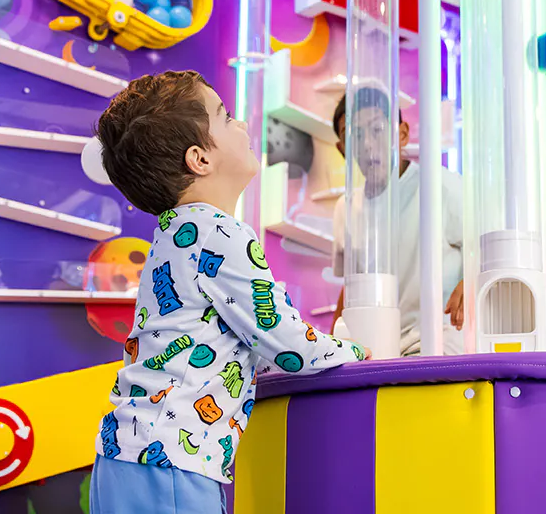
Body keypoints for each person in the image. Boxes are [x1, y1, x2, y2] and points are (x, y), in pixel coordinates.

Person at [89, 70, 366, 513]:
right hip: (172, 460)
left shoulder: (174, 234)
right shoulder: (221, 234)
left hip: (124, 454)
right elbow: (287, 343)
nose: (242, 124)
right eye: (226, 116)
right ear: (199, 159)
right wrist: (355, 351)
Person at [330, 87, 464, 355]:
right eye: (354, 135)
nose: (367, 144)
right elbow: (351, 286)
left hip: (437, 339)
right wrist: (330, 344)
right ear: (342, 148)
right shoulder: (345, 207)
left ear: (402, 134)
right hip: (375, 345)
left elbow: (485, 249)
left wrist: (469, 285)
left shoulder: (441, 186)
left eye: (377, 129)